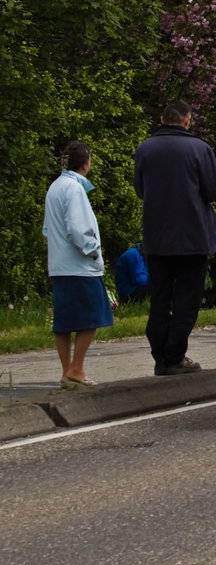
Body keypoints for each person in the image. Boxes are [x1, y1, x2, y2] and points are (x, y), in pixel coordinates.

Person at [134, 101, 216, 376]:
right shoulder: (199, 149)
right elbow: (214, 190)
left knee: (159, 297)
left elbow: (140, 190)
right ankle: (175, 354)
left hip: (157, 237)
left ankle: (160, 354)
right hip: (192, 237)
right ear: (187, 120)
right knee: (187, 298)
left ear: (162, 118)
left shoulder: (145, 149)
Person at [42, 142, 114, 388]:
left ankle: (67, 372)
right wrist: (93, 250)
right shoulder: (74, 189)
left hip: (59, 265)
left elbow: (46, 229)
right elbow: (78, 227)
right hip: (80, 266)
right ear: (86, 163)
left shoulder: (55, 187)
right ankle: (77, 369)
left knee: (63, 322)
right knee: (91, 318)